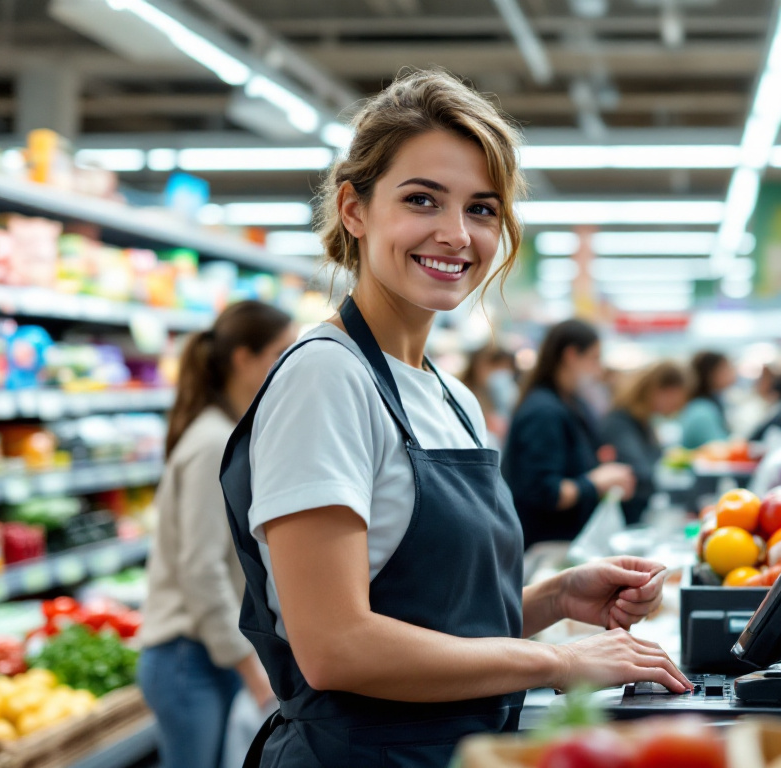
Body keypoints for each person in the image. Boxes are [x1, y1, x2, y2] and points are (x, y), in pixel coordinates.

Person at [218, 71, 688, 768]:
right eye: (421, 200)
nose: (455, 234)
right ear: (354, 208)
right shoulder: (327, 377)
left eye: (482, 209)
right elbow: (336, 646)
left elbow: (433, 619)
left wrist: (557, 596)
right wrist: (557, 663)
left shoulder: (451, 396)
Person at [137, 300, 295, 768]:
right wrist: (249, 666)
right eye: (279, 353)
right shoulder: (212, 444)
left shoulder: (229, 432)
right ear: (243, 359)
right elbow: (200, 569)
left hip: (209, 654)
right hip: (191, 659)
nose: (288, 366)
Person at [503, 320, 637, 546]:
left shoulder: (571, 403)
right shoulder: (544, 412)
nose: (599, 369)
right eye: (594, 358)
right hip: (544, 546)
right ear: (571, 355)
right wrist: (596, 482)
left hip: (567, 542)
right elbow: (545, 492)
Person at [600, 361, 688, 524]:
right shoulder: (620, 422)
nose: (677, 406)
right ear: (661, 390)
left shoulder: (643, 422)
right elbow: (639, 473)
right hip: (626, 520)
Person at [460, 344, 517, 444]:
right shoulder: (463, 394)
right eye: (496, 366)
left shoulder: (497, 395)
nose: (501, 373)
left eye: (506, 368)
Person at [680, 351, 735, 448]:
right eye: (726, 368)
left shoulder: (710, 403)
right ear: (710, 373)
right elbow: (720, 450)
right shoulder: (701, 411)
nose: (732, 372)